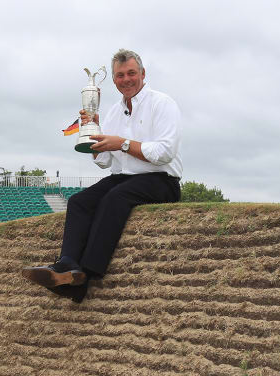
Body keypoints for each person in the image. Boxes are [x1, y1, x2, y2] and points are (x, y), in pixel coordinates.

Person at [22, 48, 183, 303]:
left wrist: (123, 143)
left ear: (143, 73)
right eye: (120, 76)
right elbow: (107, 162)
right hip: (126, 177)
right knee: (79, 201)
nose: (126, 79)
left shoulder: (162, 103)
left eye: (131, 73)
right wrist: (93, 137)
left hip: (161, 179)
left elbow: (165, 153)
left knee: (114, 198)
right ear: (115, 80)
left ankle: (84, 276)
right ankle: (68, 265)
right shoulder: (112, 113)